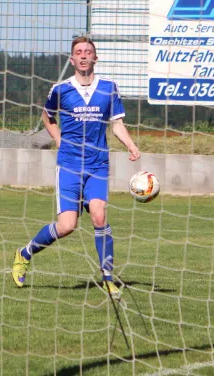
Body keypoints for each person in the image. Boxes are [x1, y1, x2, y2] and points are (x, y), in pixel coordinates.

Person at [11, 36, 141, 299]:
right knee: (67, 226)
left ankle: (107, 278)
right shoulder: (60, 89)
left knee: (99, 217)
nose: (83, 55)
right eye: (79, 52)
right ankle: (25, 253)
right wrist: (58, 139)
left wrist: (131, 144)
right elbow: (47, 116)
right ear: (72, 60)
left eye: (88, 51)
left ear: (95, 57)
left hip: (97, 164)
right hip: (69, 165)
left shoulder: (109, 88)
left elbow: (116, 124)